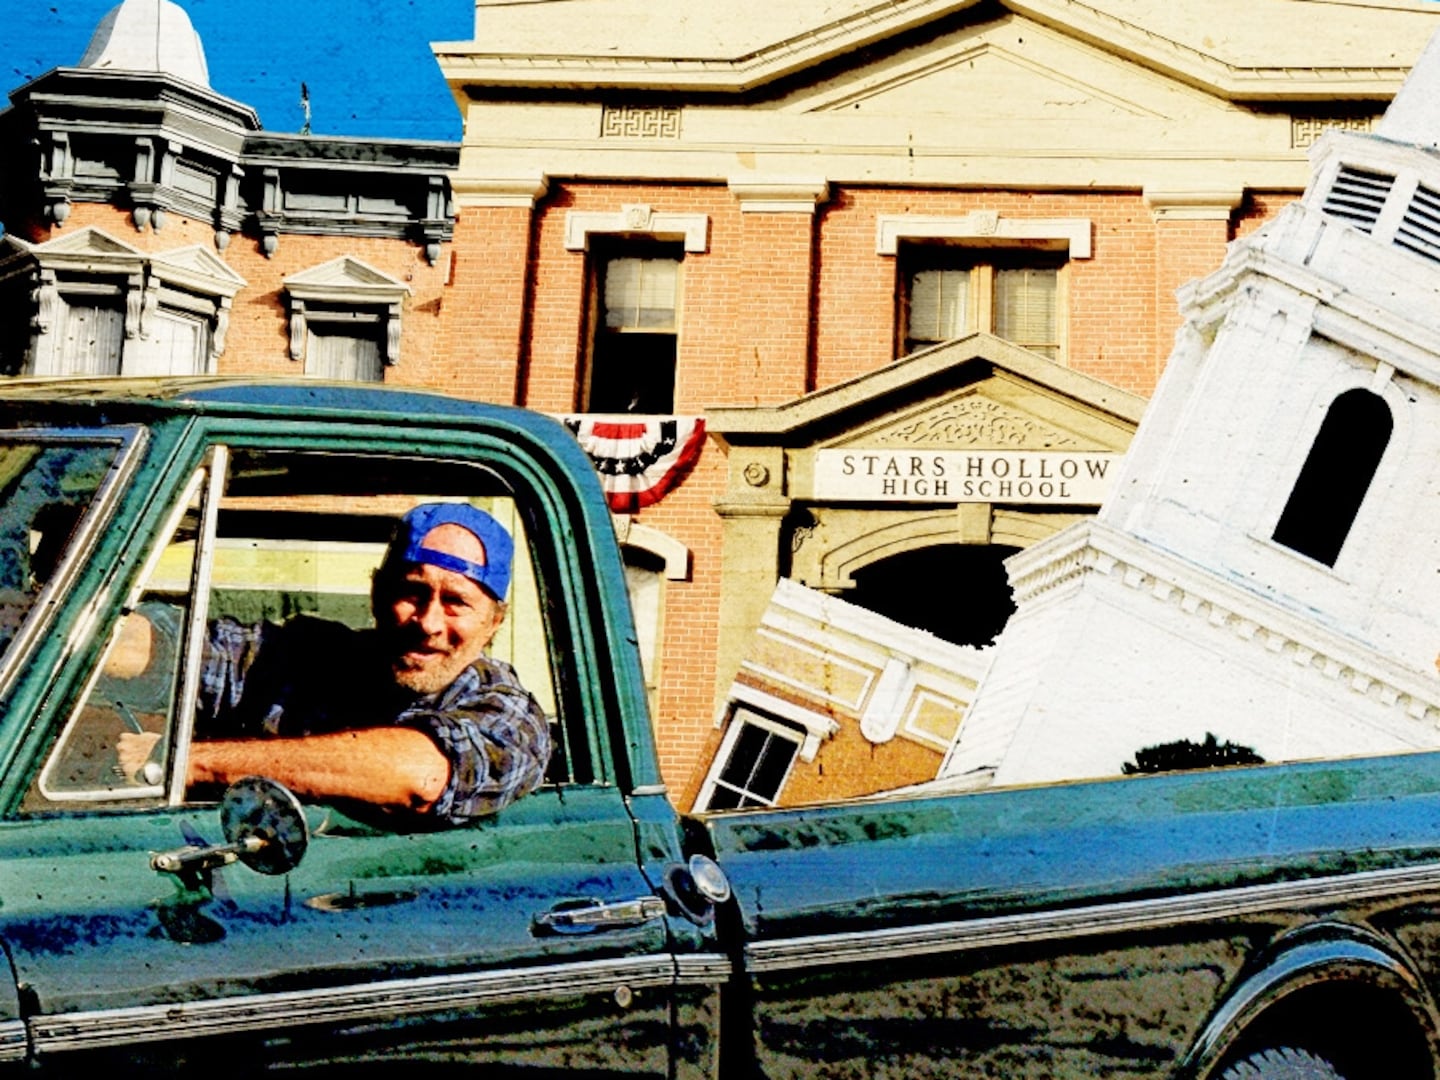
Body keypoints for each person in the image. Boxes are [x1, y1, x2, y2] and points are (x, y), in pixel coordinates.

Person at [117, 503, 551, 826]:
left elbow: (421, 776)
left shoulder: (508, 714)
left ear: (493, 623)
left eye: (456, 602)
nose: (428, 623)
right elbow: (184, 652)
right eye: (411, 593)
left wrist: (185, 761)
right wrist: (109, 637)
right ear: (377, 595)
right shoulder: (316, 656)